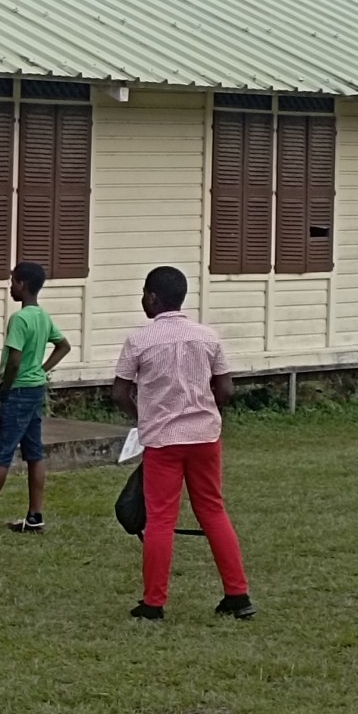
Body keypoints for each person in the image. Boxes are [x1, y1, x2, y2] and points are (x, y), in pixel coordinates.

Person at [113, 266, 255, 621]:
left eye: (144, 294)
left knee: (160, 519)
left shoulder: (139, 340)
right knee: (213, 512)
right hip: (205, 437)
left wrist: (143, 416)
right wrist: (204, 410)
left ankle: (153, 602)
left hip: (163, 441)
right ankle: (237, 595)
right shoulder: (207, 337)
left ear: (152, 298)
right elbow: (226, 389)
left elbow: (119, 392)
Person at [0, 261, 71, 536]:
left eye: (12, 281)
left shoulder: (20, 319)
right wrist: (41, 370)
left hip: (19, 391)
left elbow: (14, 359)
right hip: (35, 390)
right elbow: (63, 346)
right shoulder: (42, 316)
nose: (10, 286)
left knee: (2, 455)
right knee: (34, 453)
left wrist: (5, 386)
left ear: (22, 285)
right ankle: (35, 516)